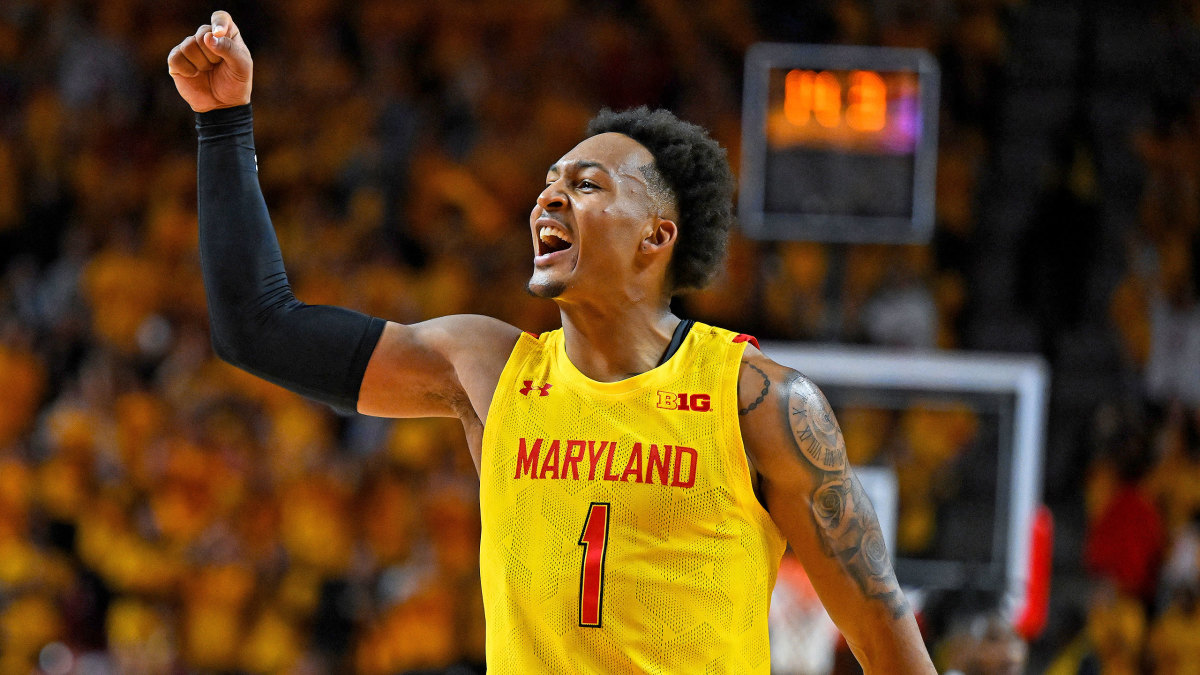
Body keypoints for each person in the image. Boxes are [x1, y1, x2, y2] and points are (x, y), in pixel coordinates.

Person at [168, 11, 936, 673]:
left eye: (588, 183)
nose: (550, 195)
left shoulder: (758, 399)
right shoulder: (487, 368)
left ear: (656, 235)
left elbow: (880, 632)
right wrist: (224, 122)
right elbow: (257, 327)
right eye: (550, 181)